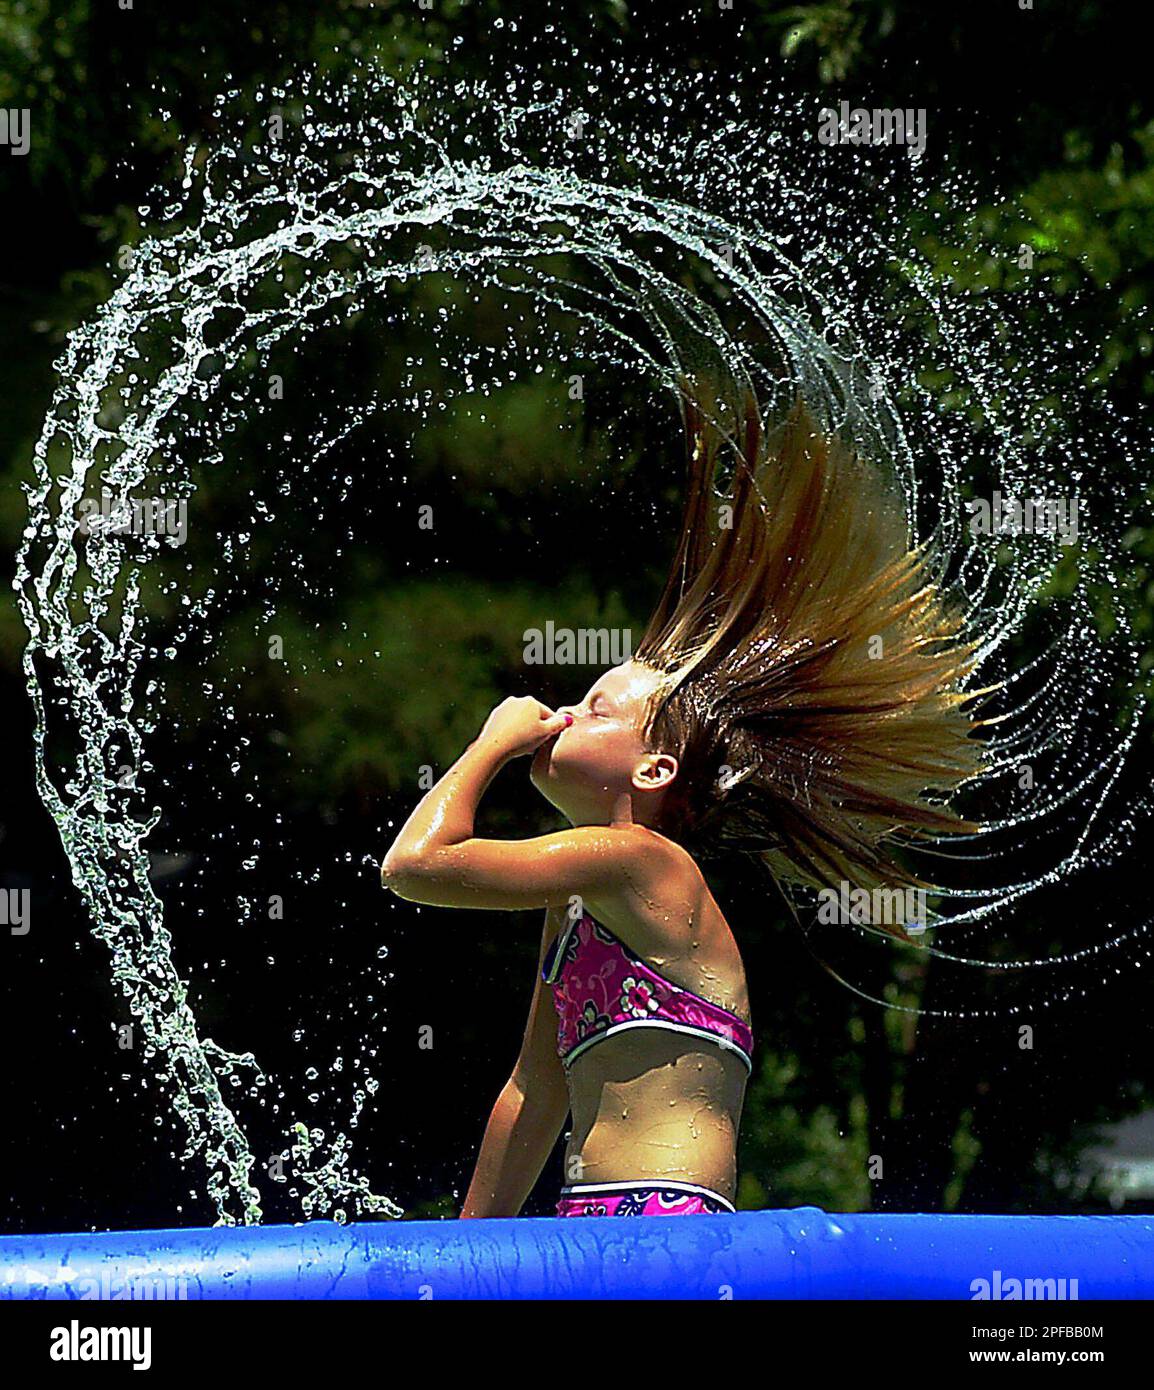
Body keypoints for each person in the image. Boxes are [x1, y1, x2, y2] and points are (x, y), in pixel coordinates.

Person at [381, 377, 992, 1218]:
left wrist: (488, 744)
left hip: (665, 1226)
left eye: (596, 708)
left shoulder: (638, 860)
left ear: (654, 773)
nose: (561, 712)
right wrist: (462, 1252)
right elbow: (535, 1090)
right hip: (591, 1225)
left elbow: (417, 866)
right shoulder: (581, 898)